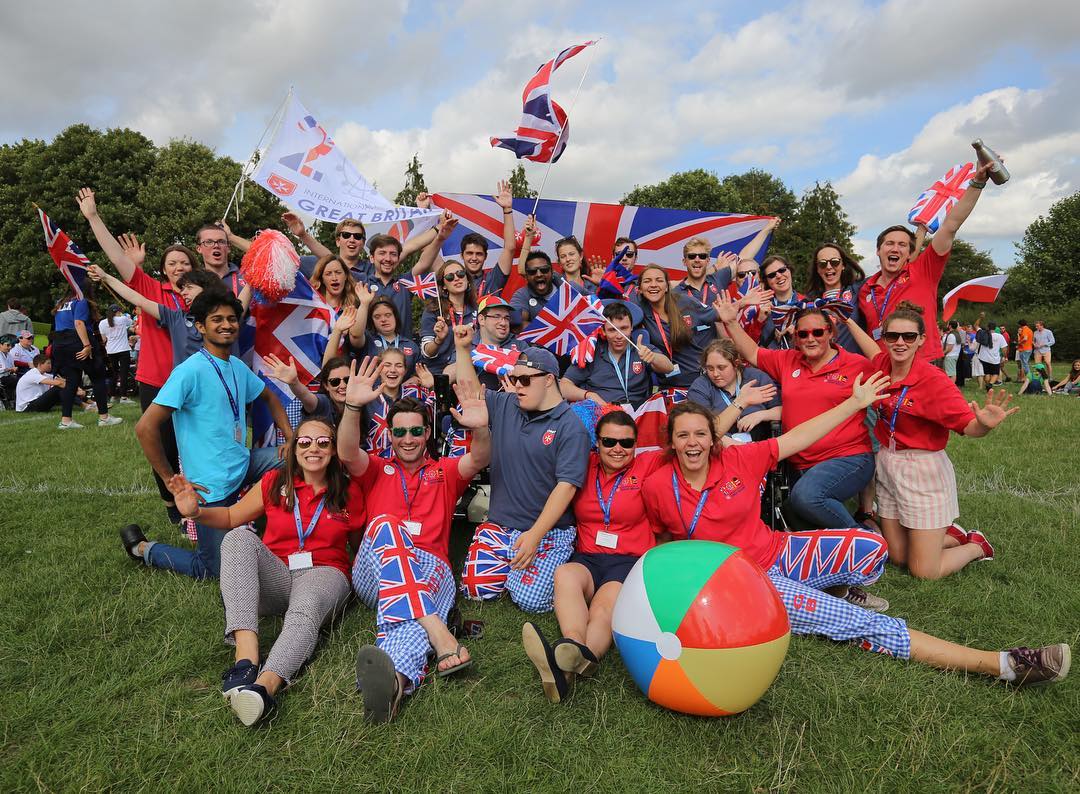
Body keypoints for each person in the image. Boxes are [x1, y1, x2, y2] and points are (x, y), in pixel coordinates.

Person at [642, 400, 1070, 686]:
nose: (693, 443)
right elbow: (662, 541)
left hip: (775, 551)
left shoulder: (739, 458)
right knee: (858, 621)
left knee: (872, 547)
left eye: (701, 434)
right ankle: (1003, 664)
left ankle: (829, 585)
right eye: (683, 436)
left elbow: (801, 435)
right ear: (672, 442)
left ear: (714, 437)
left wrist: (853, 403)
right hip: (745, 583)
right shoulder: (660, 483)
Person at [167, 418, 363, 726]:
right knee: (238, 538)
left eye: (323, 442)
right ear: (294, 448)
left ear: (334, 451)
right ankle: (246, 660)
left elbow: (358, 548)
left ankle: (264, 688)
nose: (314, 448)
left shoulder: (349, 492)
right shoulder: (275, 481)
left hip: (325, 573)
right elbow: (232, 515)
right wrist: (196, 513)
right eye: (305, 442)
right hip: (279, 573)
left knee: (307, 604)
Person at [337, 359, 492, 722]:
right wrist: (352, 406)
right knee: (389, 525)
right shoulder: (377, 468)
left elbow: (480, 456)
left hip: (430, 570)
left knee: (411, 615)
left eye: (416, 431)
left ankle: (394, 684)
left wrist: (481, 428)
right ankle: (439, 632)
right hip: (375, 570)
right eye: (400, 432)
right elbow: (346, 453)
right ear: (390, 435)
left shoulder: (445, 471)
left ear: (427, 434)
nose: (408, 439)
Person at [126, 291, 291, 580]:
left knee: (300, 460)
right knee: (212, 570)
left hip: (244, 464)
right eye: (217, 319)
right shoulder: (189, 372)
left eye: (231, 319)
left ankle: (288, 533)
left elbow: (270, 397)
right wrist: (170, 480)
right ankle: (143, 548)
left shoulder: (237, 366)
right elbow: (145, 428)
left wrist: (289, 439)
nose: (226, 324)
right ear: (200, 326)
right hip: (209, 486)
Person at [845, 302, 1013, 578]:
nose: (900, 343)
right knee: (897, 556)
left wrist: (984, 425)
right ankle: (947, 536)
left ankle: (975, 546)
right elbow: (872, 350)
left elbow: (967, 425)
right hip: (887, 462)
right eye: (892, 336)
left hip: (922, 469)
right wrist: (848, 321)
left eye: (909, 336)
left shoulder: (934, 381)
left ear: (921, 339)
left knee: (924, 571)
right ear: (884, 338)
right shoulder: (883, 364)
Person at [523, 409, 666, 703]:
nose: (617, 449)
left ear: (636, 445)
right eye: (609, 441)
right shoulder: (581, 465)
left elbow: (688, 444)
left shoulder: (648, 465)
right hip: (587, 556)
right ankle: (573, 647)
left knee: (604, 606)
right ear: (596, 443)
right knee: (565, 575)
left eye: (626, 443)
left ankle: (568, 667)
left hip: (628, 559)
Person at [78, 187, 199, 518]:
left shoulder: (201, 296)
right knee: (162, 449)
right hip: (157, 381)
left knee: (192, 446)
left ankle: (199, 501)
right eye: (172, 263)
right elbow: (116, 260)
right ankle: (171, 504)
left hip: (194, 384)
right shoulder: (150, 289)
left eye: (185, 262)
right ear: (163, 269)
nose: (178, 267)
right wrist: (93, 217)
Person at [457, 328, 591, 613]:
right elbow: (470, 391)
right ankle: (513, 573)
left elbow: (566, 487)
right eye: (514, 378)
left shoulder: (571, 427)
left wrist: (534, 536)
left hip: (549, 531)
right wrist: (461, 347)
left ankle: (529, 574)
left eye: (525, 380)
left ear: (549, 381)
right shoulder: (508, 404)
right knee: (474, 589)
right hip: (500, 524)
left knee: (530, 601)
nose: (517, 385)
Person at [717, 297, 876, 531]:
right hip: (800, 462)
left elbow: (883, 362)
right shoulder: (788, 360)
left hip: (847, 457)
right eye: (803, 334)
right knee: (793, 515)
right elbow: (752, 353)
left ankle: (865, 544)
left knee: (807, 497)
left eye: (818, 332)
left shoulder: (855, 365)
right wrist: (731, 322)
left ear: (831, 333)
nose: (810, 339)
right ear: (795, 338)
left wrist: (850, 322)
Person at [859, 157, 996, 361]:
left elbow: (950, 225)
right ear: (878, 251)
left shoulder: (923, 271)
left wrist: (977, 183)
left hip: (924, 363)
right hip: (882, 367)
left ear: (909, 252)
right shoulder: (865, 289)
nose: (895, 248)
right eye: (889, 244)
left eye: (902, 245)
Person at [88, 265, 227, 366]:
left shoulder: (228, 318)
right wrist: (106, 277)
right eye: (183, 288)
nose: (183, 293)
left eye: (189, 288)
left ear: (208, 289)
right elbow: (139, 300)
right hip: (188, 392)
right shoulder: (176, 318)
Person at [560, 301, 673, 409]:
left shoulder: (642, 349)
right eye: (612, 330)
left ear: (631, 328)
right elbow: (563, 386)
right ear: (603, 331)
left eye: (624, 328)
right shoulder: (590, 353)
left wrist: (653, 357)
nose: (619, 336)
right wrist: (589, 395)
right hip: (602, 414)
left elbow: (669, 368)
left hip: (639, 413)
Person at [638, 265, 719, 395]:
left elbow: (717, 315)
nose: (653, 285)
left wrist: (740, 304)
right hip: (670, 386)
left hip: (700, 381)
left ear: (667, 287)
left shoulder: (684, 302)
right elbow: (614, 311)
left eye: (659, 280)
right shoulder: (638, 312)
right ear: (640, 289)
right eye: (647, 281)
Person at [50, 284, 121, 429]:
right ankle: (104, 417)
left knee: (71, 381)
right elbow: (78, 323)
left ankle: (66, 421)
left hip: (60, 343)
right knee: (98, 378)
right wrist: (87, 346)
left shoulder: (60, 303)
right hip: (78, 340)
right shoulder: (81, 300)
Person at [686, 339, 780, 443]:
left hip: (761, 441)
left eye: (721, 368)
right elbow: (702, 430)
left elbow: (782, 411)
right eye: (710, 368)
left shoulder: (756, 377)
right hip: (721, 446)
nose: (715, 374)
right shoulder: (700, 387)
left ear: (736, 364)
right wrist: (736, 446)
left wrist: (761, 415)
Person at [419, 259, 479, 376]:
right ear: (444, 286)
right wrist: (438, 340)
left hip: (470, 371)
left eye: (461, 274)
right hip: (438, 374)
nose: (457, 278)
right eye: (450, 277)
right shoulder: (433, 311)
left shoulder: (478, 309)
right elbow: (426, 352)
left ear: (467, 278)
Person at [804, 243, 867, 353]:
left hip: (854, 365)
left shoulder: (858, 289)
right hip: (823, 366)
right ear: (818, 269)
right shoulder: (809, 301)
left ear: (843, 265)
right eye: (822, 264)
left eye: (834, 262)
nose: (829, 267)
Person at [345, 291, 419, 378]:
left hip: (401, 391)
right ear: (371, 320)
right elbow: (355, 334)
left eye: (388, 315)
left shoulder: (411, 346)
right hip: (370, 390)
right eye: (377, 316)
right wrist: (364, 304)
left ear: (395, 316)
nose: (383, 319)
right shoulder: (367, 340)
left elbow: (421, 374)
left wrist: (416, 379)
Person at [265, 354, 352, 426]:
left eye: (347, 380)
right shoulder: (324, 404)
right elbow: (306, 396)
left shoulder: (362, 402)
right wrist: (294, 383)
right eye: (335, 382)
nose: (343, 385)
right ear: (326, 386)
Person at [758, 255, 803, 349]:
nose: (778, 276)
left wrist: (799, 333)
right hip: (769, 361)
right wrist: (759, 322)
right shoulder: (759, 308)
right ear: (767, 282)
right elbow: (750, 344)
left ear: (790, 270)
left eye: (782, 270)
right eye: (772, 275)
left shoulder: (807, 304)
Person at [510, 249, 560, 325]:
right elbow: (515, 322)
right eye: (532, 272)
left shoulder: (568, 288)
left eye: (544, 270)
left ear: (552, 272)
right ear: (526, 277)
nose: (539, 274)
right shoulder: (522, 295)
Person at [98, 304, 135, 403]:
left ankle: (113, 396)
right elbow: (132, 322)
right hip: (123, 350)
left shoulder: (102, 323)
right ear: (118, 312)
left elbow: (104, 339)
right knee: (123, 373)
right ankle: (123, 397)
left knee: (113, 374)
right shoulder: (123, 319)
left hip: (110, 351)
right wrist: (124, 315)